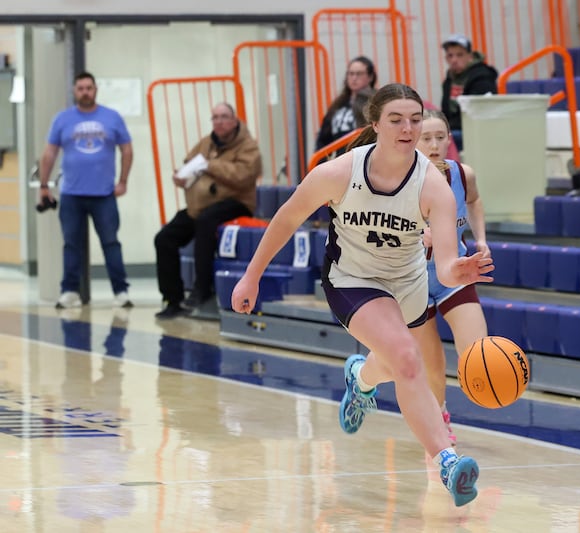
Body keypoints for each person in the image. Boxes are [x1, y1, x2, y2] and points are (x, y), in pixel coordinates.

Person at [230, 83, 493, 507]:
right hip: (351, 280)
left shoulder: (433, 187)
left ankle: (360, 378)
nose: (407, 128)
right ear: (375, 124)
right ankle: (448, 461)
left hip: (406, 285)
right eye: (396, 119)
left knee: (392, 362)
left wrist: (457, 269)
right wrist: (251, 276)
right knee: (408, 359)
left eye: (414, 119)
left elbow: (443, 263)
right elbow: (285, 219)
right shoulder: (338, 172)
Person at [415, 109, 490, 445]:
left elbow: (473, 202)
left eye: (440, 137)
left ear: (449, 139)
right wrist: (418, 234)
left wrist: (482, 239)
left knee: (479, 353)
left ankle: (487, 390)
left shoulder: (462, 174)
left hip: (453, 272)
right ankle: (438, 421)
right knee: (432, 365)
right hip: (410, 280)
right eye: (426, 138)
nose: (434, 145)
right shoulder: (396, 182)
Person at [154, 102, 262, 319]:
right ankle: (172, 299)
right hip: (200, 205)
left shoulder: (248, 146)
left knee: (205, 222)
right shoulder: (206, 143)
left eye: (223, 117)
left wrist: (210, 166)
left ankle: (202, 289)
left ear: (234, 121)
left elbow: (243, 176)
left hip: (236, 203)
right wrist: (181, 175)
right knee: (164, 238)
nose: (219, 122)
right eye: (215, 117)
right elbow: (190, 163)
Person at [38, 71, 134, 310]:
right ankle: (69, 291)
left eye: (89, 88)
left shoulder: (112, 118)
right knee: (71, 244)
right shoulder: (62, 119)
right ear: (74, 91)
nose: (85, 92)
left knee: (111, 242)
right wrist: (43, 185)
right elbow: (49, 153)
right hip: (71, 194)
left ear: (96, 90)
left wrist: (122, 181)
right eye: (80, 88)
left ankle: (120, 292)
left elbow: (127, 150)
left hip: (104, 195)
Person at [440, 33, 498, 152]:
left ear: (470, 56)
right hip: (455, 129)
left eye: (459, 55)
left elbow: (477, 111)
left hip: (474, 130)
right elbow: (446, 110)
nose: (454, 60)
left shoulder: (482, 77)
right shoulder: (449, 79)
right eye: (450, 56)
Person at [315, 56, 377, 153]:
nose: (354, 78)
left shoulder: (376, 100)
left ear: (370, 77)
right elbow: (323, 138)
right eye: (351, 74)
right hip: (340, 159)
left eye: (359, 74)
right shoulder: (338, 104)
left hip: (364, 157)